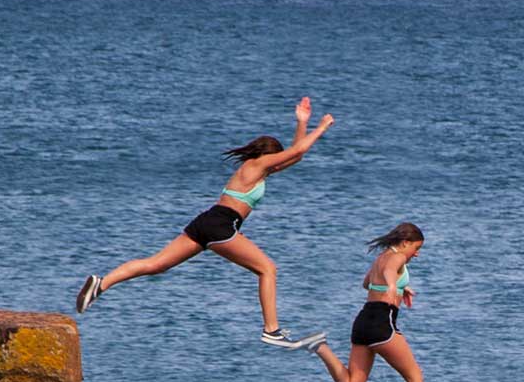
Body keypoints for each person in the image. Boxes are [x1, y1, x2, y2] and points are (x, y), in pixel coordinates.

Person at [76, 97, 335, 348]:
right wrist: (321, 127)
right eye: (277, 160)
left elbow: (295, 156)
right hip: (221, 224)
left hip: (207, 221)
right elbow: (297, 151)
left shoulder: (252, 169)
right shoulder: (258, 164)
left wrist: (301, 122)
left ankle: (102, 283)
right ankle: (271, 330)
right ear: (269, 155)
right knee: (267, 269)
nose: (279, 166)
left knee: (156, 264)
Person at [307, 223, 453, 382]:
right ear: (404, 243)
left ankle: (320, 347)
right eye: (416, 248)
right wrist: (393, 284)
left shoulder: (380, 259)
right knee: (414, 376)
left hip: (363, 321)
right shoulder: (396, 259)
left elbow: (367, 283)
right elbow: (390, 271)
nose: (417, 253)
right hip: (381, 323)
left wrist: (400, 288)